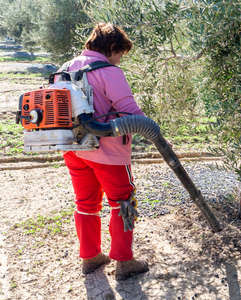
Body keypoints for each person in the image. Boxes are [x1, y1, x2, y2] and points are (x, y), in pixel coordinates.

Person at [62, 23, 148, 280]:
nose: (120, 59)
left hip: (74, 149)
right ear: (111, 48)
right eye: (120, 53)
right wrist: (153, 131)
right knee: (123, 201)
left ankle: (90, 257)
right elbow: (130, 111)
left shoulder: (66, 67)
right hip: (108, 152)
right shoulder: (109, 72)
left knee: (86, 202)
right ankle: (124, 261)